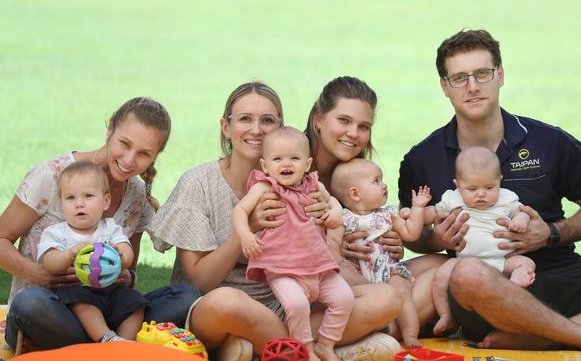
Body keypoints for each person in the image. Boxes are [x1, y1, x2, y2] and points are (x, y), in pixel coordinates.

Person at [398, 29, 581, 355]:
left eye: (482, 74)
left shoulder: (550, 142)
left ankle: (545, 337)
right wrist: (439, 240)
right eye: (459, 78)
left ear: (500, 75)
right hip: (486, 290)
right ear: (444, 86)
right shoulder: (422, 159)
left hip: (561, 273)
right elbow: (413, 235)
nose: (472, 86)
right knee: (466, 273)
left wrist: (551, 233)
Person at [147, 81, 401, 361]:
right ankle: (315, 350)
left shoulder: (301, 183)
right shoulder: (200, 183)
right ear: (226, 127)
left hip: (289, 305)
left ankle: (264, 349)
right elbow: (199, 284)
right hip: (219, 306)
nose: (256, 129)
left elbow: (320, 254)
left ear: (280, 128)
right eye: (245, 119)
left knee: (386, 298)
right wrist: (250, 228)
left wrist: (330, 228)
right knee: (225, 303)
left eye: (267, 120)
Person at [1, 97, 200, 351]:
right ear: (109, 129)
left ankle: (102, 346)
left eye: (144, 154)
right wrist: (39, 273)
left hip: (106, 310)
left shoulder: (136, 195)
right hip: (51, 309)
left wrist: (122, 273)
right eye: (125, 144)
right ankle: (113, 348)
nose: (129, 160)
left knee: (186, 296)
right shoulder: (53, 175)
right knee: (30, 303)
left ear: (154, 158)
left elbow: (130, 276)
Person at [305, 76, 449, 342]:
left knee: (446, 267)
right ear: (318, 119)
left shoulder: (358, 173)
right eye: (344, 120)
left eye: (364, 126)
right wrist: (338, 249)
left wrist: (391, 241)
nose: (353, 134)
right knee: (381, 292)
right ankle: (377, 330)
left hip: (370, 272)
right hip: (323, 285)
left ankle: (381, 328)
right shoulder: (295, 167)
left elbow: (377, 224)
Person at [235, 127, 354, 361]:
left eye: (294, 158)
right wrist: (246, 235)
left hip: (318, 266)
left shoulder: (314, 185)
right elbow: (240, 210)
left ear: (307, 163)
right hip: (282, 269)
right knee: (297, 305)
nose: (286, 164)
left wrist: (337, 213)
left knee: (345, 298)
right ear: (265, 165)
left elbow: (334, 204)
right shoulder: (264, 187)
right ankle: (306, 350)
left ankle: (327, 344)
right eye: (277, 158)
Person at [428, 147, 535, 336]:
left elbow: (523, 211)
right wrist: (417, 213)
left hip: (501, 260)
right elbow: (434, 213)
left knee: (526, 263)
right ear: (458, 184)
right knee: (440, 278)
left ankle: (515, 282)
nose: (481, 194)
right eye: (472, 188)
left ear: (499, 181)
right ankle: (446, 315)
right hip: (463, 263)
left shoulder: (506, 198)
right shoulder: (452, 198)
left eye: (489, 187)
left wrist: (521, 220)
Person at [38, 161, 148, 342]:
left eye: (88, 196)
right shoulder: (56, 232)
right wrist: (68, 254)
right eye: (70, 198)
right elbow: (49, 263)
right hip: (76, 294)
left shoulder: (110, 227)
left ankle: (125, 344)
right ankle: (105, 338)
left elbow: (127, 253)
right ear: (61, 203)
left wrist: (121, 255)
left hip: (111, 290)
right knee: (81, 300)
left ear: (105, 201)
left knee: (135, 301)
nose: (79, 204)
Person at [330, 158, 432, 348]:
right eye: (376, 181)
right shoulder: (342, 219)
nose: (384, 185)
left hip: (389, 271)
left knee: (402, 293)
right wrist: (341, 262)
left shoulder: (388, 214)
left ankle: (410, 335)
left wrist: (417, 209)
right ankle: (367, 330)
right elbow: (332, 245)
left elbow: (411, 233)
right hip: (359, 276)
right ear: (355, 193)